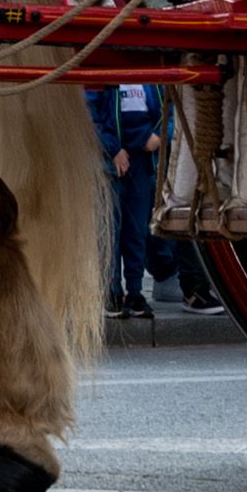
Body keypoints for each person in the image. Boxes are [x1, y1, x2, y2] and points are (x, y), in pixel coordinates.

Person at [89, 78, 166, 317]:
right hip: (110, 160)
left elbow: (170, 109)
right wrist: (113, 150)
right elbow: (91, 115)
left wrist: (160, 134)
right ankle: (111, 291)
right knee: (110, 229)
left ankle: (135, 291)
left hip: (141, 160)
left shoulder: (152, 79)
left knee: (137, 230)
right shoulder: (100, 75)